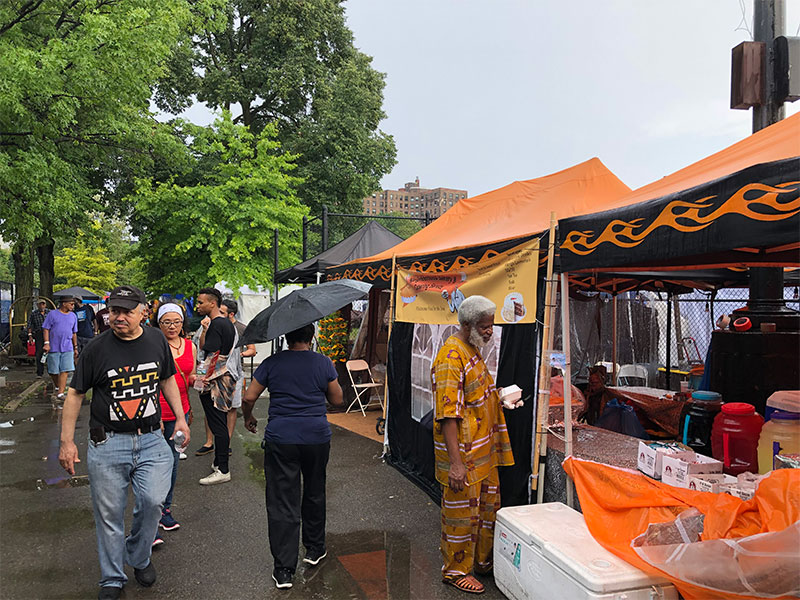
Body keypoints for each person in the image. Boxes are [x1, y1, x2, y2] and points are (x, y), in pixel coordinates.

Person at [58, 285, 190, 600]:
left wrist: (181, 417)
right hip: (107, 444)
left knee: (153, 502)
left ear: (143, 312)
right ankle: (112, 578)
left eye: (126, 311)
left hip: (152, 440)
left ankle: (139, 555)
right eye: (114, 310)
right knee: (109, 515)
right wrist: (66, 442)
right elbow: (75, 393)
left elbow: (167, 379)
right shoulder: (96, 348)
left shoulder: (157, 339)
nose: (118, 317)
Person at [242, 324, 344, 590]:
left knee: (282, 500)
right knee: (314, 491)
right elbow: (337, 399)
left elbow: (249, 396)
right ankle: (314, 549)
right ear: (311, 337)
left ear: (287, 338)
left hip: (282, 438)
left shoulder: (272, 363)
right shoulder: (323, 363)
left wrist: (248, 416)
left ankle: (284, 569)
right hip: (316, 438)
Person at [431, 295, 516, 594]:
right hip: (463, 458)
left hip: (484, 453)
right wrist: (455, 464)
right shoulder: (450, 358)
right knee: (461, 517)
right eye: (485, 326)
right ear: (467, 325)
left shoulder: (472, 350)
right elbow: (448, 415)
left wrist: (500, 396)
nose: (491, 331)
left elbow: (476, 395)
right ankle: (455, 571)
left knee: (486, 511)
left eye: (491, 325)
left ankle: (480, 562)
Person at [155, 303, 196, 535]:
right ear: (158, 324)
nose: (172, 326)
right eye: (167, 322)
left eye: (176, 322)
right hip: (156, 411)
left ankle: (165, 510)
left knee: (172, 461)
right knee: (156, 462)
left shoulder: (189, 345)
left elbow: (189, 375)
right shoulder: (153, 345)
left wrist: (199, 381)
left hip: (181, 411)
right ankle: (154, 510)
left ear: (183, 323)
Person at [195, 287, 236, 485]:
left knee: (218, 424)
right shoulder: (225, 324)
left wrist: (200, 380)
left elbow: (209, 355)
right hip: (221, 378)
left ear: (213, 303)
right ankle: (219, 462)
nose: (198, 306)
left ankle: (223, 469)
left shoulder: (217, 325)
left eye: (201, 302)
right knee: (219, 422)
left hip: (215, 381)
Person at [219, 299, 257, 440]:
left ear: (231, 314)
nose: (219, 314)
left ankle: (227, 441)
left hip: (235, 372)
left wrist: (239, 354)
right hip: (218, 372)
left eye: (222, 312)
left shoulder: (241, 328)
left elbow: (252, 350)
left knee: (232, 408)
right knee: (214, 408)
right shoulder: (216, 325)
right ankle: (210, 441)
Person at [42, 295, 79, 402]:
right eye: (71, 304)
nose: (73, 306)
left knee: (65, 370)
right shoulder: (52, 314)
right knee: (53, 370)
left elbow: (74, 333)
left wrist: (75, 347)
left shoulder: (73, 316)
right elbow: (46, 329)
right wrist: (46, 343)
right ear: (64, 303)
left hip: (67, 347)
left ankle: (61, 393)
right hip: (53, 346)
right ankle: (58, 385)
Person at [27, 299, 50, 377]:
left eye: (43, 304)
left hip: (50, 333)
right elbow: (30, 325)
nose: (42, 306)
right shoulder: (34, 314)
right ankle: (40, 372)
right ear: (37, 305)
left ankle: (51, 370)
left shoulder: (49, 312)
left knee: (50, 352)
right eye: (40, 304)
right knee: (39, 353)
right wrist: (30, 335)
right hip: (39, 333)